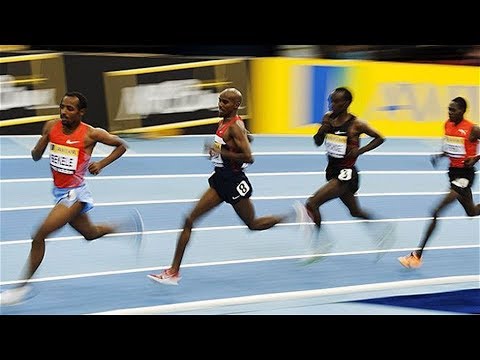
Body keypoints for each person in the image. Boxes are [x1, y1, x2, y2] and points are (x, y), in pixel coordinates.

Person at [0, 91, 143, 305]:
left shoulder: (91, 134)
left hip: (74, 195)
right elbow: (35, 156)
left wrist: (101, 164)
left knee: (38, 236)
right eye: (62, 107)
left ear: (81, 112)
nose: (64, 112)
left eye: (70, 109)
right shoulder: (51, 127)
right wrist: (43, 142)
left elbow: (122, 145)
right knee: (90, 234)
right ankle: (124, 227)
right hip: (59, 191)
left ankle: (20, 288)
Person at [148, 88, 288, 285]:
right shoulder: (224, 122)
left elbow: (249, 157)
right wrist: (222, 149)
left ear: (236, 105)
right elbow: (244, 138)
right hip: (220, 179)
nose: (220, 105)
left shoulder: (235, 127)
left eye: (225, 102)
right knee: (189, 219)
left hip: (234, 181)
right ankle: (173, 272)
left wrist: (221, 151)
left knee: (253, 224)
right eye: (220, 101)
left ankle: (291, 216)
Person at [294, 87, 394, 260]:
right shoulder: (327, 119)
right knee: (355, 212)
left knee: (312, 204)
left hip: (346, 173)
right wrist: (321, 130)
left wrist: (359, 151)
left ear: (346, 103)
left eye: (336, 101)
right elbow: (317, 142)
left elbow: (379, 138)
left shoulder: (357, 124)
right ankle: (384, 227)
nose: (332, 104)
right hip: (332, 170)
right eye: (331, 100)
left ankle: (322, 244)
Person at [398, 96, 480, 268]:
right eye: (449, 109)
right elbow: (451, 146)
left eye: (454, 110)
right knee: (471, 211)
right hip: (452, 173)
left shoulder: (472, 129)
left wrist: (476, 158)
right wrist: (440, 155)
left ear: (463, 111)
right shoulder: (447, 124)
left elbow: (470, 151)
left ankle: (416, 256)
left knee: (436, 210)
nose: (450, 112)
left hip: (465, 176)